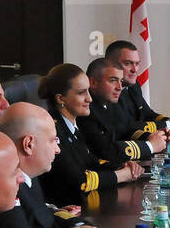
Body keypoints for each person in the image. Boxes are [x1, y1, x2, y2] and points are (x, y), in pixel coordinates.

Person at [0, 102, 108, 228]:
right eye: (53, 141)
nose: (58, 150)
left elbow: (45, 217)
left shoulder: (29, 175)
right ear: (28, 145)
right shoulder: (4, 189)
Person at [38, 63, 143, 206]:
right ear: (60, 99)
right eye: (81, 93)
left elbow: (90, 162)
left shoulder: (71, 125)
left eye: (88, 91)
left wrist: (121, 166)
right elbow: (79, 181)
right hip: (66, 209)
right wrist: (122, 175)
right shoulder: (53, 131)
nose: (90, 99)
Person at [79, 57, 168, 163]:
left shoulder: (107, 102)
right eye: (113, 80)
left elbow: (123, 131)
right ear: (93, 83)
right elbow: (106, 151)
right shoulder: (86, 111)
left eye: (120, 81)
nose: (120, 87)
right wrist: (150, 146)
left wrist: (152, 136)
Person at [107, 39, 170, 135]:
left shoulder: (133, 86)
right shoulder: (105, 91)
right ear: (110, 64)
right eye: (128, 64)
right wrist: (168, 125)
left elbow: (147, 114)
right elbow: (125, 127)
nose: (135, 70)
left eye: (137, 64)